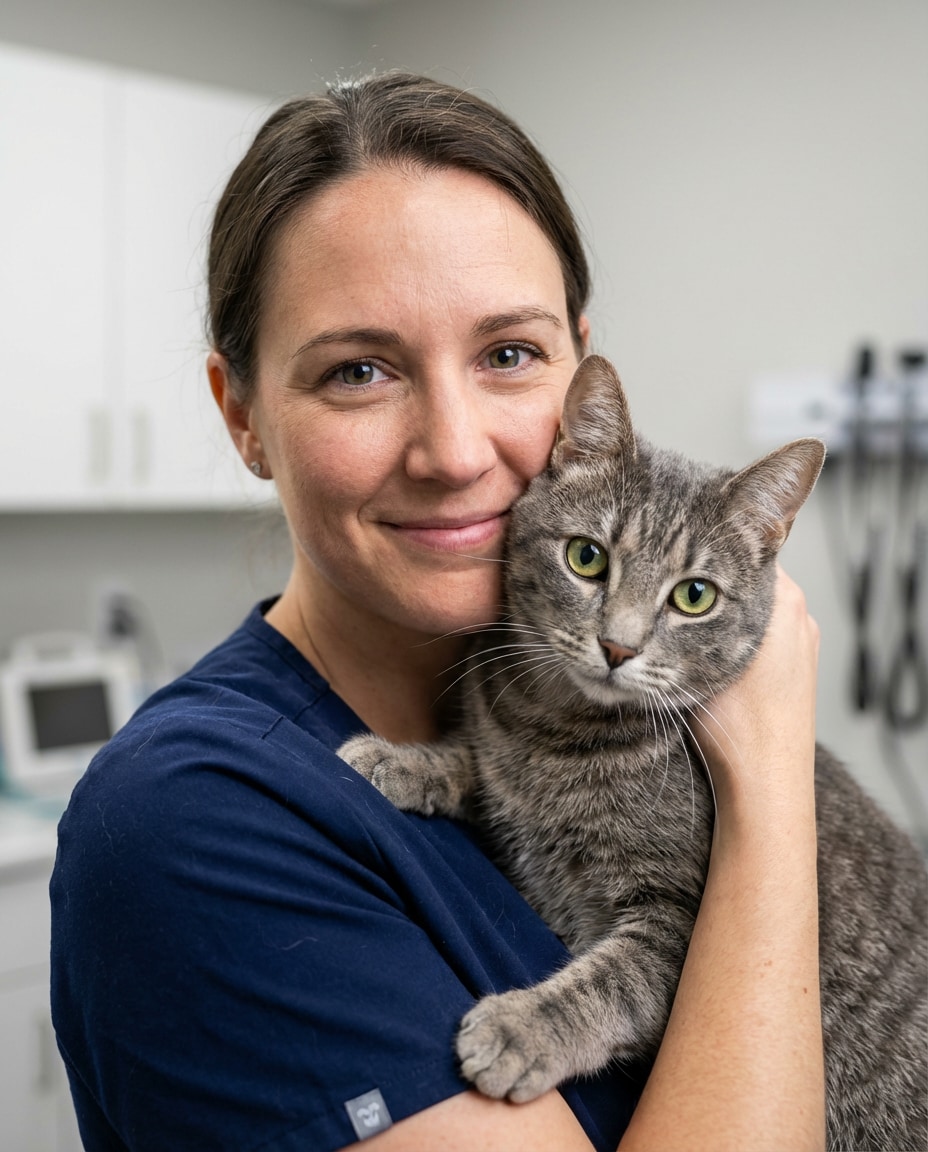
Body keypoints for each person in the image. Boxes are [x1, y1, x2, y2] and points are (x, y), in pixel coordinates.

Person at [50, 73, 824, 1151]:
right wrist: (773, 782)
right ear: (244, 417)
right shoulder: (188, 823)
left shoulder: (573, 707)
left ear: (578, 369)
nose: (455, 453)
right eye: (359, 371)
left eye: (508, 354)